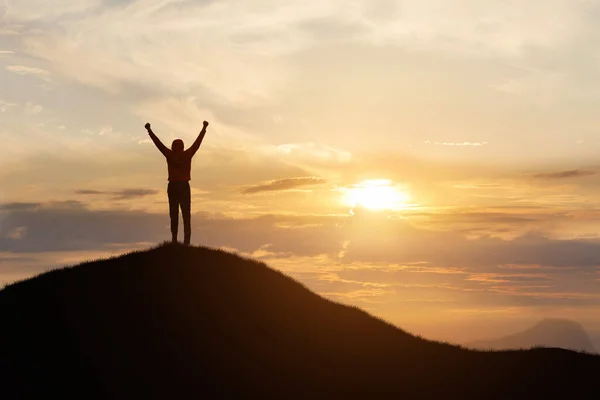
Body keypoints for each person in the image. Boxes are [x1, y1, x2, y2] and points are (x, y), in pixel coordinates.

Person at [145, 121, 209, 245]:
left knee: (174, 215)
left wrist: (149, 131)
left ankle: (175, 240)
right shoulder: (186, 155)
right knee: (185, 215)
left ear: (174, 147)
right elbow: (197, 143)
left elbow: (158, 144)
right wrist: (204, 129)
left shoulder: (170, 155)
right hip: (183, 186)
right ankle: (186, 242)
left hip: (174, 186)